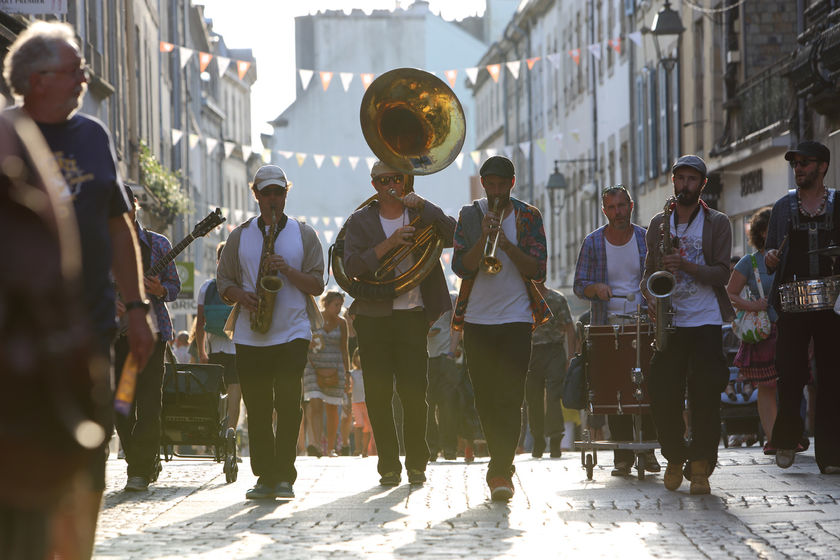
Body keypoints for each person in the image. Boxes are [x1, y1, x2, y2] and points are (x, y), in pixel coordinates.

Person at [3, 21, 155, 559]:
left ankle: (78, 552)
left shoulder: (93, 137)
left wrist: (137, 307)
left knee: (91, 449)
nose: (84, 79)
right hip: (19, 339)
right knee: (25, 455)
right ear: (37, 79)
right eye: (74, 70)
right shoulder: (5, 134)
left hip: (89, 329)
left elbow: (118, 226)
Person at [343, 160, 455, 487]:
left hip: (413, 314)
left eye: (396, 178)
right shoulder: (360, 220)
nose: (391, 184)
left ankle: (417, 462)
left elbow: (453, 235)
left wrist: (425, 205)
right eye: (383, 179)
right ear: (375, 184)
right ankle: (389, 465)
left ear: (405, 180)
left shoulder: (421, 215)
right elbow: (351, 266)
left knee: (414, 394)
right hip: (373, 316)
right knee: (378, 395)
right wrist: (390, 244)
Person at [216, 164, 325, 500]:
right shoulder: (240, 236)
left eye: (279, 192)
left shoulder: (304, 234)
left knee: (289, 401)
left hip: (293, 330)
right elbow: (224, 283)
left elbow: (318, 284)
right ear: (257, 195)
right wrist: (240, 296)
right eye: (267, 193)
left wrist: (287, 270)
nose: (273, 198)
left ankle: (285, 475)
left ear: (286, 194)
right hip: (252, 332)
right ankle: (265, 476)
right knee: (259, 406)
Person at [452, 155, 550, 501]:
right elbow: (461, 267)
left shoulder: (528, 216)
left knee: (510, 395)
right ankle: (501, 462)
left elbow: (538, 270)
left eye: (501, 186)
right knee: (485, 397)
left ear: (512, 184)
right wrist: (483, 239)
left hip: (518, 317)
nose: (495, 192)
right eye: (489, 185)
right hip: (478, 319)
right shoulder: (469, 215)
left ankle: (499, 469)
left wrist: (506, 244)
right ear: (482, 184)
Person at [642, 155, 734, 495]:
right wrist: (651, 298)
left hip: (706, 321)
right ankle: (674, 456)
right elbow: (648, 275)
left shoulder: (718, 223)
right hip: (672, 322)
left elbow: (723, 273)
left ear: (702, 185)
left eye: (692, 179)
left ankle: (701, 466)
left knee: (705, 396)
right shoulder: (658, 225)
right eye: (679, 179)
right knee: (661, 390)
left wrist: (688, 266)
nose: (685, 185)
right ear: (673, 182)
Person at [573, 185, 659, 476]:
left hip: (644, 322)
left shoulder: (647, 237)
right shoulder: (593, 242)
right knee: (614, 388)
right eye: (611, 208)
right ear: (604, 211)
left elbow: (660, 278)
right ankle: (622, 454)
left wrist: (653, 301)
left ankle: (647, 451)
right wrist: (595, 288)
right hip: (607, 325)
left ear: (631, 206)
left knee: (647, 384)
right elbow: (578, 285)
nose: (617, 213)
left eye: (621, 206)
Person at [765, 141, 840, 473]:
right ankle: (786, 437)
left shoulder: (839, 204)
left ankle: (832, 454)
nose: (798, 169)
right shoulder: (782, 208)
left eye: (805, 163)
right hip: (793, 301)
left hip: (833, 303)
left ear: (822, 166)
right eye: (795, 164)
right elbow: (770, 256)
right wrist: (770, 258)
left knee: (832, 377)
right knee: (790, 371)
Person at [113, 186, 181, 492]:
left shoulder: (158, 244)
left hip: (155, 335)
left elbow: (175, 287)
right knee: (121, 405)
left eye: (124, 206)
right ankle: (141, 461)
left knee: (150, 403)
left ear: (135, 206)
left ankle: (138, 469)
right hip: (118, 335)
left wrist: (160, 290)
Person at [726, 207, 778, 452]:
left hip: (791, 327)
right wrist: (754, 305)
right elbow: (730, 293)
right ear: (761, 233)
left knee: (791, 383)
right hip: (764, 331)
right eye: (769, 230)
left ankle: (789, 433)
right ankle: (773, 437)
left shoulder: (791, 256)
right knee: (767, 386)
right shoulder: (751, 261)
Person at [196, 241, 241, 443]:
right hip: (238, 349)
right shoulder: (242, 287)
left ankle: (217, 436)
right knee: (234, 395)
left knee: (216, 395)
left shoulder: (207, 287)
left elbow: (199, 324)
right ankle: (229, 435)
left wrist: (201, 353)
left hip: (214, 350)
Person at [526, 282, 576, 459]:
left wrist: (571, 357)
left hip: (554, 350)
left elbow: (570, 327)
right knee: (533, 398)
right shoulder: (524, 299)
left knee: (554, 395)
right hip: (532, 352)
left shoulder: (556, 299)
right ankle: (538, 439)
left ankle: (555, 439)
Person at [302, 291, 351, 457]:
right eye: (336, 305)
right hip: (313, 366)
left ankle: (330, 448)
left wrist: (347, 372)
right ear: (326, 303)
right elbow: (304, 340)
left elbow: (345, 350)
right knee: (315, 403)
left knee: (332, 408)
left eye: (340, 305)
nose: (338, 308)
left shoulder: (342, 323)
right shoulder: (314, 319)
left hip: (335, 368)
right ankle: (314, 444)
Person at [426, 294, 462, 461]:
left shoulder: (451, 299)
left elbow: (457, 325)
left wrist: (451, 352)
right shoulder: (420, 300)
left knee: (447, 405)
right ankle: (431, 448)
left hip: (444, 358)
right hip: (426, 359)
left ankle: (449, 448)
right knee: (427, 406)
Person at [349, 350, 375, 457]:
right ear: (354, 359)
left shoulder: (370, 372)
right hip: (356, 402)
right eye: (357, 357)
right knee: (359, 424)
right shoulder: (352, 373)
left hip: (367, 403)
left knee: (368, 427)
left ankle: (365, 450)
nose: (359, 359)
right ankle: (358, 448)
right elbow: (349, 388)